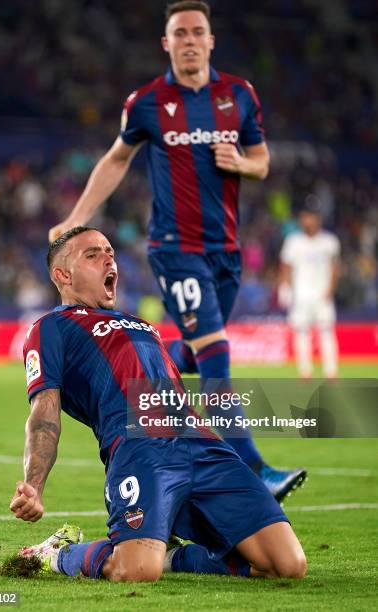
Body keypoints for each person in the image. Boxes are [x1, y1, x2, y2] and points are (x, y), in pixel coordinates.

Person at [48, 0, 306, 500]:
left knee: (193, 353)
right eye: (179, 33)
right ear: (167, 44)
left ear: (211, 40)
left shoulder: (239, 95)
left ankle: (128, 366)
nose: (189, 40)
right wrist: (78, 217)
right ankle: (253, 470)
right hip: (174, 248)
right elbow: (117, 158)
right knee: (216, 352)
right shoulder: (146, 102)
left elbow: (262, 160)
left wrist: (242, 163)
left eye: (197, 32)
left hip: (225, 252)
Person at [10, 226, 306, 582]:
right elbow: (44, 413)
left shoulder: (140, 325)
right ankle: (60, 553)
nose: (109, 258)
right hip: (141, 449)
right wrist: (34, 486)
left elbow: (191, 353)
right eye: (92, 254)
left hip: (204, 445)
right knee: (135, 570)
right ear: (63, 274)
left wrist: (208, 330)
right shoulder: (51, 328)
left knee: (286, 566)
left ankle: (171, 556)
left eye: (110, 251)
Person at [279, 198, 341, 378]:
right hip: (301, 295)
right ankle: (305, 371)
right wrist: (285, 288)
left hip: (322, 295)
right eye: (304, 217)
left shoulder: (329, 241)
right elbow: (285, 267)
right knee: (301, 332)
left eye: (310, 217)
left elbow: (335, 268)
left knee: (327, 331)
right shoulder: (294, 241)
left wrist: (330, 289)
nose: (307, 220)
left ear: (318, 219)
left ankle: (331, 371)